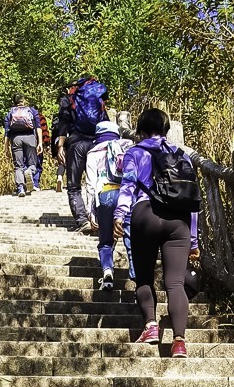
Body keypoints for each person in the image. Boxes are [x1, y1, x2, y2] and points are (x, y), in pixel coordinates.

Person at [114, 106, 200, 359]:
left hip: (145, 216)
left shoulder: (134, 152)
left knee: (144, 277)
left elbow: (128, 184)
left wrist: (120, 214)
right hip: (178, 220)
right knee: (175, 283)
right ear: (166, 129)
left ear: (140, 129)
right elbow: (192, 200)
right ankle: (179, 342)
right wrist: (194, 240)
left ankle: (151, 326)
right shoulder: (182, 156)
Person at [53, 74, 109, 232]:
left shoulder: (69, 98)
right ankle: (98, 219)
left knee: (74, 185)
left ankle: (83, 220)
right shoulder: (99, 99)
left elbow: (63, 123)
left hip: (76, 144)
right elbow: (106, 123)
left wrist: (60, 146)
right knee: (99, 183)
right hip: (97, 144)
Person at [84, 114, 133, 292]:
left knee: (105, 240)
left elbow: (90, 185)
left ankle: (107, 273)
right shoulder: (127, 147)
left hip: (104, 195)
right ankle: (137, 274)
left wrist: (90, 213)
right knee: (130, 237)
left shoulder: (93, 153)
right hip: (125, 195)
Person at [3, 95, 42, 197]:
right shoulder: (32, 111)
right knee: (32, 163)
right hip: (30, 138)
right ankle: (29, 171)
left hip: (16, 139)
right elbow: (38, 127)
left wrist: (6, 147)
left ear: (14, 102)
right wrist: (40, 143)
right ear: (23, 101)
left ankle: (20, 188)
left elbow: (7, 132)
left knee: (18, 165)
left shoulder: (10, 113)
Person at [35, 110, 50, 190]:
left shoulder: (23, 115)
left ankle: (23, 185)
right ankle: (35, 183)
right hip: (38, 143)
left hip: (25, 143)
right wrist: (47, 143)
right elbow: (44, 131)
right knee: (38, 163)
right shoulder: (40, 117)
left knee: (25, 163)